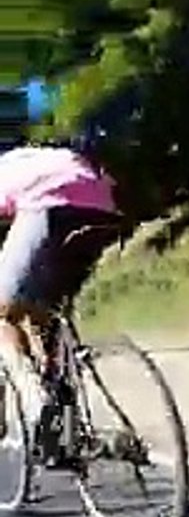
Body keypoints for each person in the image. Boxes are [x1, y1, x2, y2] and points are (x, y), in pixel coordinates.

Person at [0, 144, 126, 438]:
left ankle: (35, 399)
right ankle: (65, 433)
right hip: (103, 212)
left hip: (52, 207)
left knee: (4, 311)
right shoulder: (29, 159)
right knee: (45, 313)